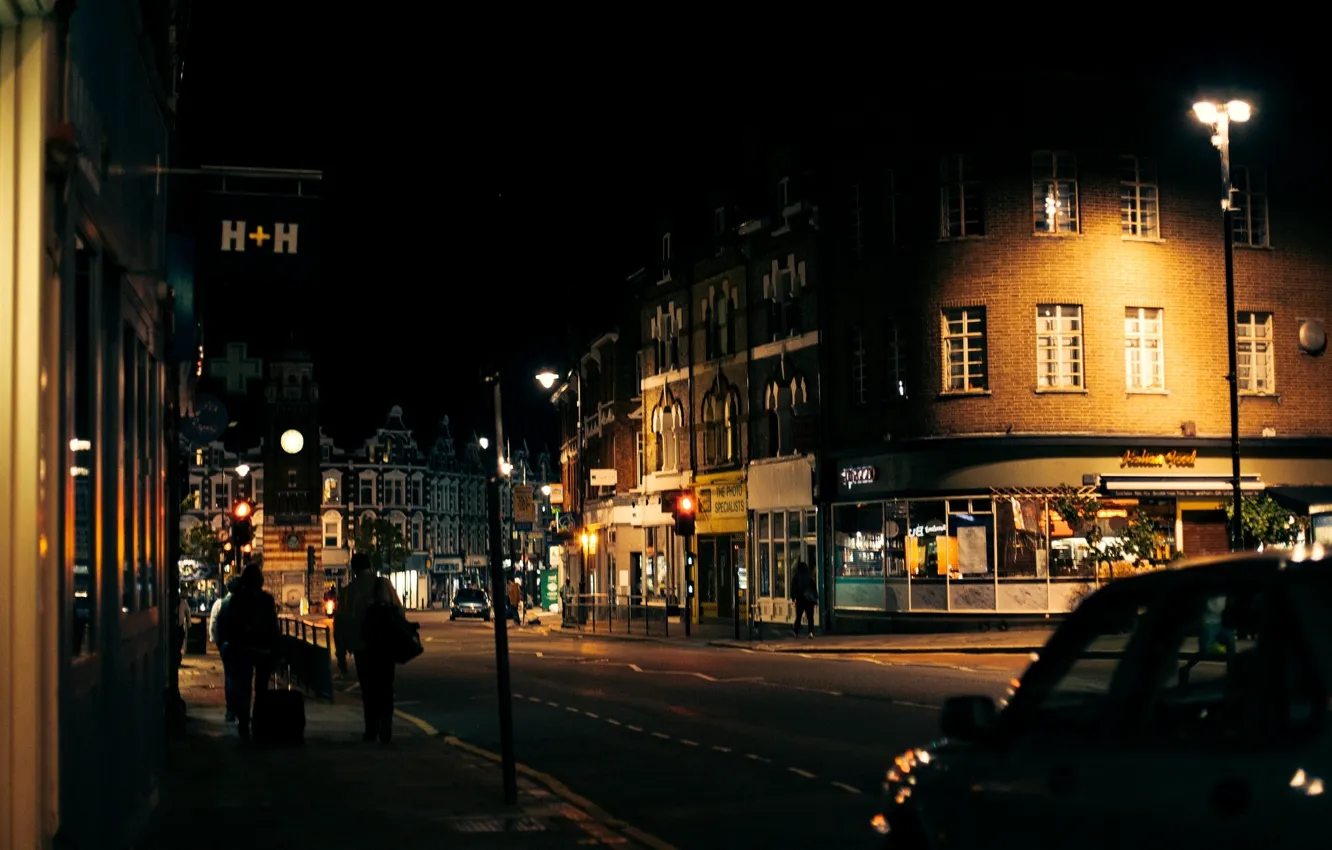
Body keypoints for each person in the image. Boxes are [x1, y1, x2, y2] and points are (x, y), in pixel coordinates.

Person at [335, 553, 405, 743]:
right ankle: (386, 727)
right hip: (384, 646)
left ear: (353, 569)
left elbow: (340, 624)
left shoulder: (348, 591)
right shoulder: (383, 584)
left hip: (362, 648)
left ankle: (371, 729)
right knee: (386, 688)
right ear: (370, 566)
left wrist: (341, 655)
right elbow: (399, 611)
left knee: (368, 690)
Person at [216, 564, 280, 740]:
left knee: (243, 687)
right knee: (261, 689)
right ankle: (258, 722)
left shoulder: (237, 600)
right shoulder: (266, 600)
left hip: (242, 648)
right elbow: (273, 626)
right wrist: (275, 649)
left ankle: (244, 722)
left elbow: (227, 625)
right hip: (263, 649)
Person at [209, 577, 241, 722]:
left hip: (226, 644)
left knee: (229, 675)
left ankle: (230, 709)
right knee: (243, 676)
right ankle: (242, 708)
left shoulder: (220, 604)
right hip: (242, 644)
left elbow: (213, 626)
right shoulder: (245, 604)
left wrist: (217, 642)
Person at [790, 561, 818, 639]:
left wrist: (793, 598)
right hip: (809, 600)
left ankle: (796, 631)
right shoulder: (809, 576)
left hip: (800, 599)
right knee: (810, 617)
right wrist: (815, 598)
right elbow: (813, 588)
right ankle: (811, 632)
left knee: (799, 616)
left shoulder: (796, 577)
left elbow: (793, 588)